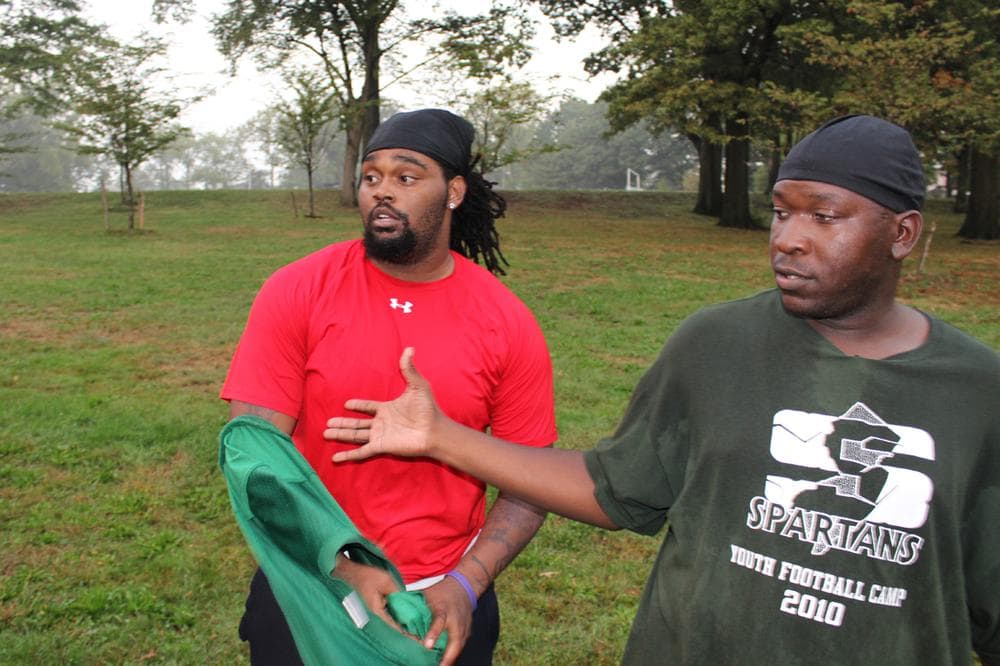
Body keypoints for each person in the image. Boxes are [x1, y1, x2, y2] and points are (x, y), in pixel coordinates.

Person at [324, 115, 1000, 665]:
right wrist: (442, 437)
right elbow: (616, 488)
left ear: (902, 234)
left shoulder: (977, 393)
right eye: (780, 213)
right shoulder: (715, 345)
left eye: (824, 218)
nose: (788, 241)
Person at [221, 108, 557, 665]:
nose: (381, 192)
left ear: (452, 192)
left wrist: (468, 582)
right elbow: (253, 452)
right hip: (311, 583)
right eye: (370, 176)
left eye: (406, 177)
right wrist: (341, 563)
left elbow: (534, 480)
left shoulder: (505, 320)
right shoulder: (299, 289)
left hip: (440, 603)